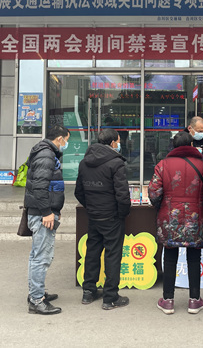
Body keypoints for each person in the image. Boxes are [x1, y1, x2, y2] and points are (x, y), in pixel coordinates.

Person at [148, 131, 203, 315]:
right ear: (191, 145)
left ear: (173, 146)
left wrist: (163, 207)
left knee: (169, 257)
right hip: (196, 216)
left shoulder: (163, 164)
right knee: (194, 258)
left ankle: (168, 301)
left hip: (169, 217)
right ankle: (194, 300)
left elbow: (154, 192)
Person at [75, 128, 131, 310]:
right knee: (112, 255)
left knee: (92, 252)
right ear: (113, 142)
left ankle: (88, 292)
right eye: (119, 141)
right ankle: (110, 297)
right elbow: (123, 195)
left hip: (94, 215)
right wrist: (121, 213)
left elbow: (78, 192)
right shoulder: (116, 163)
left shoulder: (84, 162)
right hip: (111, 216)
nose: (119, 144)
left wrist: (91, 207)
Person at [25, 125, 70, 315]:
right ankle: (37, 300)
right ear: (59, 138)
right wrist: (47, 212)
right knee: (42, 257)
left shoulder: (44, 153)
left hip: (43, 211)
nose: (66, 144)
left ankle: (36, 293)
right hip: (42, 214)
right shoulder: (46, 156)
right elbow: (40, 186)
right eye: (66, 140)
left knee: (37, 255)